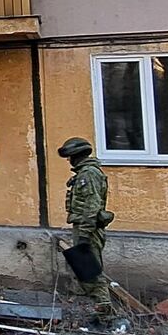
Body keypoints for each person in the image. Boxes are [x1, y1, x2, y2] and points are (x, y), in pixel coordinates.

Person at [59, 136, 115, 323]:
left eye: (70, 156)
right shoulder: (86, 173)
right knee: (85, 270)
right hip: (85, 227)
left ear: (77, 155)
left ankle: (105, 314)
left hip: (88, 229)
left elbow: (92, 206)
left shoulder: (88, 174)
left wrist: (84, 235)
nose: (69, 161)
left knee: (91, 271)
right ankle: (99, 310)